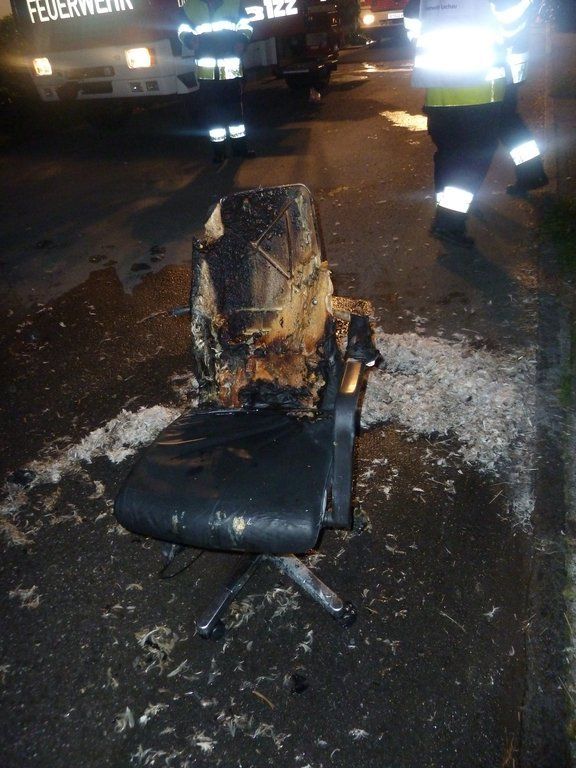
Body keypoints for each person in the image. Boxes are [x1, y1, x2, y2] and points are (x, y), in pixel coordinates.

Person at [404, 0, 507, 247]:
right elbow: (512, 19)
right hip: (480, 91)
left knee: (449, 156)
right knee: (473, 159)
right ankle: (449, 221)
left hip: (439, 92)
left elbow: (412, 26)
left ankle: (447, 215)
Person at [178, 0, 255, 163]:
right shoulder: (190, 6)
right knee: (213, 114)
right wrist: (189, 39)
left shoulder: (233, 3)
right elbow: (182, 29)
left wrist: (242, 40)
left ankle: (240, 150)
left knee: (235, 113)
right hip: (208, 76)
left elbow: (246, 25)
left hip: (230, 71)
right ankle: (219, 153)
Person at [492, 0, 549, 194]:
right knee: (507, 122)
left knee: (504, 123)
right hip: (502, 66)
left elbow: (505, 18)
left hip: (499, 67)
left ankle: (532, 174)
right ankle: (532, 174)